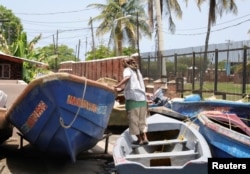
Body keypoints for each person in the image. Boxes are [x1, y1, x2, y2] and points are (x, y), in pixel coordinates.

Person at [114, 57, 149, 145]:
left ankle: (139, 140)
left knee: (133, 121)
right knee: (142, 121)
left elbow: (127, 78)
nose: (122, 65)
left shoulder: (127, 70)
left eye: (122, 63)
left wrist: (116, 86)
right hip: (142, 99)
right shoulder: (137, 71)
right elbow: (132, 86)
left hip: (133, 100)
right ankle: (145, 138)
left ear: (125, 63)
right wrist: (121, 90)